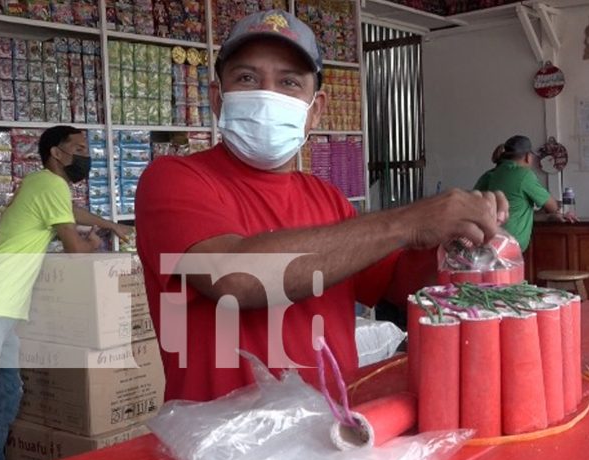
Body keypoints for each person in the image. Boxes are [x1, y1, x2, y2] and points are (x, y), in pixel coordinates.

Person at [135, 10, 509, 402]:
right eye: (246, 78)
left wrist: (454, 244)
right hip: (223, 443)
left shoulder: (327, 198)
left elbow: (397, 285)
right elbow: (236, 278)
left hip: (333, 430)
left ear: (315, 109)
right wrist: (410, 220)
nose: (267, 95)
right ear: (217, 98)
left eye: (289, 82)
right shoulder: (174, 179)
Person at [0, 125, 131, 460]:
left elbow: (70, 213)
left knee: (5, 397)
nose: (85, 156)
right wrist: (91, 243)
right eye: (78, 148)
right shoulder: (51, 186)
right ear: (56, 154)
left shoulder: (40, 183)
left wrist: (110, 225)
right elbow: (76, 249)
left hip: (3, 304)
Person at [474, 135, 576, 252]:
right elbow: (552, 206)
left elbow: (516, 212)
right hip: (507, 247)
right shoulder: (524, 175)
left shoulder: (491, 174)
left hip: (486, 243)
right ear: (528, 157)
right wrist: (556, 210)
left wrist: (548, 216)